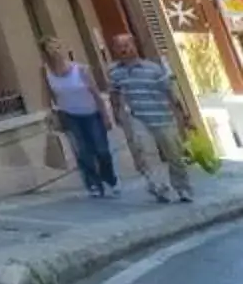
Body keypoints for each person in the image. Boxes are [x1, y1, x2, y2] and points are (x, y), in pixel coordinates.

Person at [104, 32, 195, 203]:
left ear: (134, 46)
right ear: (115, 50)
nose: (124, 49)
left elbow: (169, 92)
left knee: (174, 156)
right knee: (147, 156)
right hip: (139, 119)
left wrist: (183, 115)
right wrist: (116, 114)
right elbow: (114, 94)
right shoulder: (115, 72)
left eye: (127, 45)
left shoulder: (153, 68)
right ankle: (159, 187)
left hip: (163, 117)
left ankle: (182, 188)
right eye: (119, 46)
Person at [41, 40, 117, 197]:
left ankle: (110, 180)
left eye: (56, 47)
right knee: (83, 152)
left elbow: (96, 93)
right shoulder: (45, 72)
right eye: (49, 50)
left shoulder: (80, 69)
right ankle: (93, 184)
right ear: (45, 53)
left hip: (92, 113)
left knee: (101, 150)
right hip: (69, 116)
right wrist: (49, 113)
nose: (54, 52)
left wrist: (105, 116)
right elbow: (47, 94)